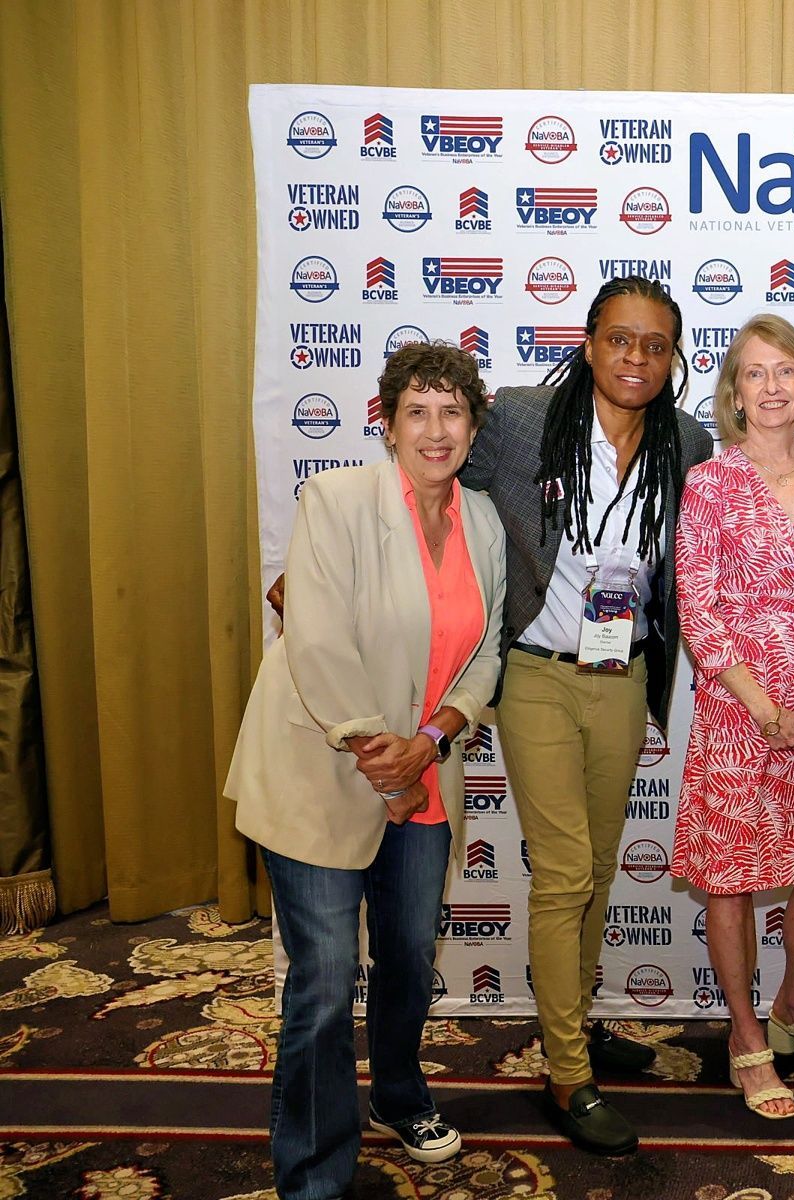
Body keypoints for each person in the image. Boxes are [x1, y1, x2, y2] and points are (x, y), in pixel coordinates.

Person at [227, 342, 506, 1199]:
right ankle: (314, 1173)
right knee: (320, 982)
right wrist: (384, 761)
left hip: (424, 771)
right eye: (416, 411)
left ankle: (397, 1093)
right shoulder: (337, 499)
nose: (435, 430)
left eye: (452, 412)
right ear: (386, 424)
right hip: (324, 768)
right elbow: (315, 641)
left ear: (473, 429)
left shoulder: (484, 521)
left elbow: (487, 652)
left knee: (410, 956)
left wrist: (434, 737)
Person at [460, 275, 713, 1155]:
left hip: (625, 675)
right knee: (565, 872)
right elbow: (440, 492)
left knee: (599, 869)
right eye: (620, 339)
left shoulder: (687, 440)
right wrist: (340, 560)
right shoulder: (522, 419)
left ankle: (575, 1021)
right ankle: (567, 1072)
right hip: (536, 672)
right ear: (589, 343)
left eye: (655, 345)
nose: (636, 357)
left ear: (672, 358)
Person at [672, 315, 794, 1119]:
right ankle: (746, 1035)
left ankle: (793, 1005)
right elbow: (697, 606)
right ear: (735, 393)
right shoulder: (708, 484)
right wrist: (762, 705)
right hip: (737, 711)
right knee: (732, 876)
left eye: (786, 371)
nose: (773, 386)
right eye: (755, 372)